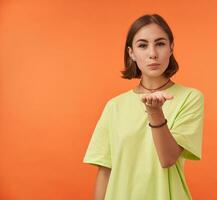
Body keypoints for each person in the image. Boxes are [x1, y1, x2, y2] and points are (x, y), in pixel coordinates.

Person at [83, 13, 205, 200]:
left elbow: (167, 159)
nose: (152, 53)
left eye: (160, 44)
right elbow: (105, 171)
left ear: (171, 48)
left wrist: (155, 112)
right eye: (142, 45)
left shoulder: (190, 98)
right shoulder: (114, 106)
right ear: (131, 53)